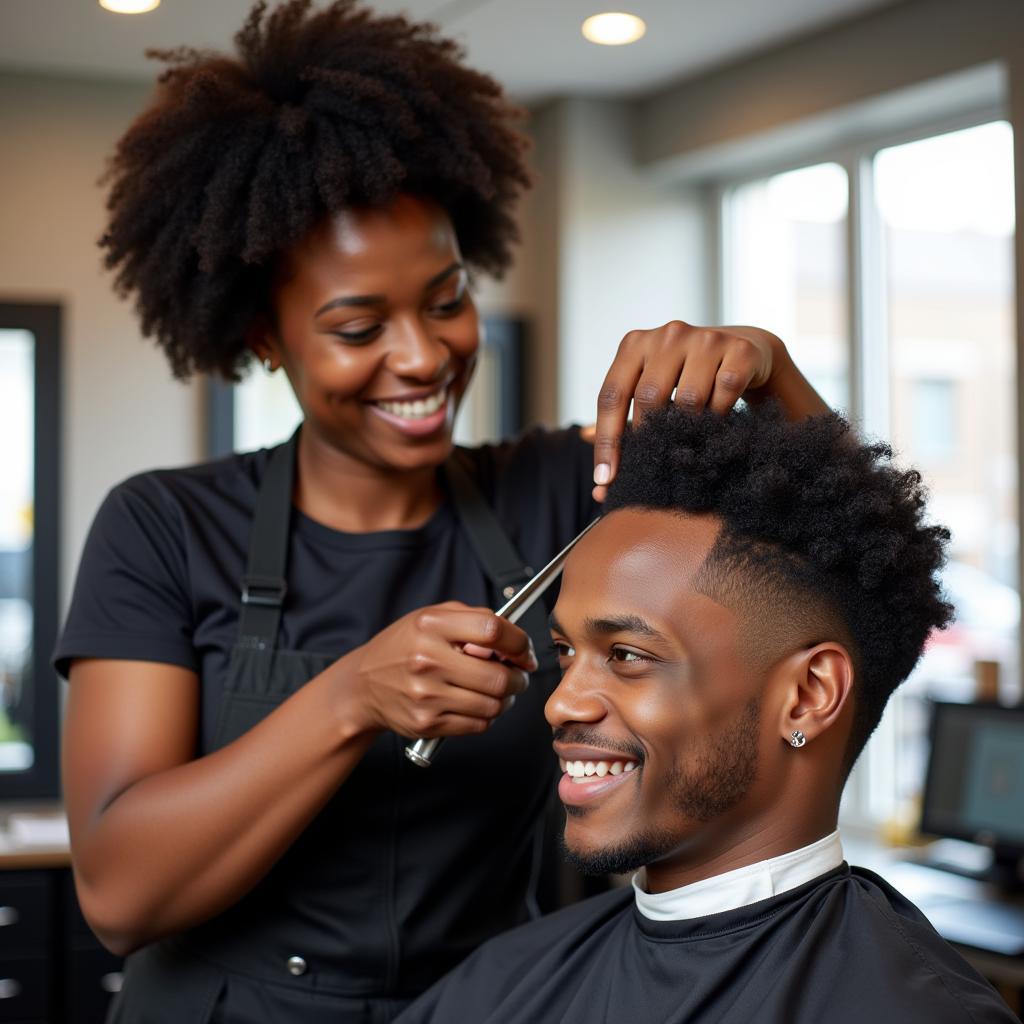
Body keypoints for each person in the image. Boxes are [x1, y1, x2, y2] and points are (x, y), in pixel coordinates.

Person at [55, 2, 831, 1021]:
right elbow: (119, 893)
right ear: (264, 338)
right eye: (356, 325)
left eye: (445, 297)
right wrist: (349, 699)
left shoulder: (567, 489)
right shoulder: (163, 527)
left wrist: (769, 372)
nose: (422, 356)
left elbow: (850, 557)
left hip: (488, 1003)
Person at [398, 402, 1018, 1024]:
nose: (561, 703)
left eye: (627, 655)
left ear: (807, 694)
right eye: (564, 651)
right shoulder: (504, 981)